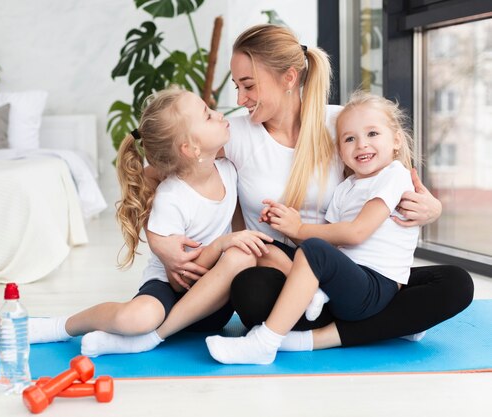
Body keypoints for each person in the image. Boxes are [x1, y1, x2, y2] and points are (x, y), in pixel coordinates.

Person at [147, 24, 473, 353]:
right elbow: (161, 167)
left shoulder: (343, 125)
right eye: (237, 86)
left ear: (289, 78)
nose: (239, 99)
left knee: (455, 284)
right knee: (250, 291)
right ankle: (392, 322)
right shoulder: (235, 133)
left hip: (350, 273)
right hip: (283, 272)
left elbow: (394, 171)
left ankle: (318, 335)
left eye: (248, 86)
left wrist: (433, 208)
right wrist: (160, 243)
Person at [28, 87, 272, 356]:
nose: (218, 114)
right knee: (136, 319)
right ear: (190, 148)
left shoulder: (228, 170)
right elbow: (180, 282)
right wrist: (222, 244)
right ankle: (62, 326)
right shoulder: (171, 197)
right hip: (171, 291)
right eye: (207, 115)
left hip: (214, 305)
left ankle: (151, 338)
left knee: (243, 257)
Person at [206, 91, 421, 364]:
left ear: (397, 140)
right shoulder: (346, 188)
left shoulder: (394, 175)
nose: (361, 145)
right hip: (348, 281)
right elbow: (329, 244)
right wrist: (284, 222)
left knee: (314, 249)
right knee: (264, 248)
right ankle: (316, 292)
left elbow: (356, 233)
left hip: (375, 286)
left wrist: (300, 230)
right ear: (339, 150)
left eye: (373, 134)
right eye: (350, 139)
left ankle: (265, 343)